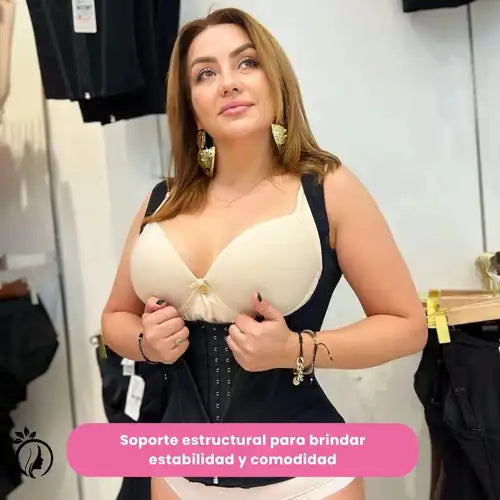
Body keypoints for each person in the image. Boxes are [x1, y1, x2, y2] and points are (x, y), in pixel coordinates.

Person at [101, 7, 428, 500]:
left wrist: (296, 349)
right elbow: (114, 320)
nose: (228, 83)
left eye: (246, 63)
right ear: (191, 106)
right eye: (205, 73)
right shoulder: (161, 202)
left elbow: (407, 325)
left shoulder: (327, 189)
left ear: (276, 82)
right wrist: (148, 343)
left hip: (309, 480)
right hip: (177, 478)